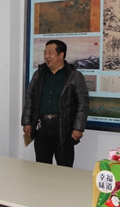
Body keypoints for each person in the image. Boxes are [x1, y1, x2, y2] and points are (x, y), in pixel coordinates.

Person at [21, 39, 90, 167]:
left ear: (61, 55)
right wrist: (27, 122)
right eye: (45, 53)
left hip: (63, 128)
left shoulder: (74, 76)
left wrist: (78, 128)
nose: (47, 56)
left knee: (64, 168)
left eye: (50, 53)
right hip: (41, 127)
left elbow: (83, 103)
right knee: (42, 167)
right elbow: (29, 98)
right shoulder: (39, 74)